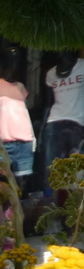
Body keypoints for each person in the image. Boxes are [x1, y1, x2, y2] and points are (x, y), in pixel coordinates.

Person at [42, 50, 84, 170]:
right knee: (50, 167)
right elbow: (48, 104)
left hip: (76, 122)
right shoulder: (51, 73)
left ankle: (77, 189)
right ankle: (49, 189)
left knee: (79, 168)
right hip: (54, 121)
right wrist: (42, 129)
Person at [0, 49, 33, 188]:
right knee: (3, 182)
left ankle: (19, 209)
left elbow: (23, 112)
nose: (12, 68)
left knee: (22, 182)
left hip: (25, 142)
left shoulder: (20, 86)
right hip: (4, 143)